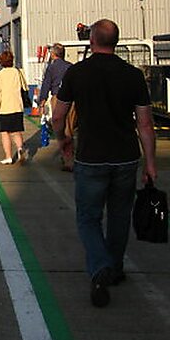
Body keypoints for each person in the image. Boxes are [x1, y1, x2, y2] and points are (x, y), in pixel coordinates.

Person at [52, 19, 156, 308]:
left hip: (90, 158)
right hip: (125, 158)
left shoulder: (78, 73)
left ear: (91, 40)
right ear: (116, 42)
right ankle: (116, 268)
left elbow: (59, 115)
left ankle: (99, 268)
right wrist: (150, 163)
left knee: (88, 218)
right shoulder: (133, 75)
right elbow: (145, 125)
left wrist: (63, 141)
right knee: (120, 217)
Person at [38, 43, 74, 170]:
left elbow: (46, 84)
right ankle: (70, 156)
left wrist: (41, 101)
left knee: (59, 126)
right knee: (70, 126)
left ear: (53, 54)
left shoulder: (51, 68)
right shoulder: (70, 66)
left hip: (57, 98)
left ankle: (66, 157)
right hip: (72, 98)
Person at [0, 50, 27, 165]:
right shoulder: (18, 72)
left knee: (5, 132)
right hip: (17, 106)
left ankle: (8, 156)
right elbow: (24, 87)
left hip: (4, 108)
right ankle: (20, 148)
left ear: (1, 62)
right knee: (16, 131)